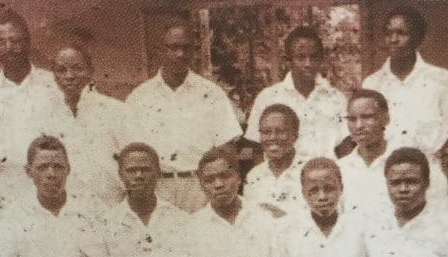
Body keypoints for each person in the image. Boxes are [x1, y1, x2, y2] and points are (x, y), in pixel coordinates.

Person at [125, 17, 243, 213]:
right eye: (173, 47)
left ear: (194, 51)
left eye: (186, 48)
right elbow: (130, 151)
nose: (180, 54)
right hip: (157, 188)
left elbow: (226, 149)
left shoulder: (211, 93)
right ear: (161, 50)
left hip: (200, 188)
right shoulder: (139, 98)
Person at [0, 45, 128, 208]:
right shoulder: (42, 115)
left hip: (110, 206)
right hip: (63, 210)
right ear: (54, 75)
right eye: (61, 70)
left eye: (77, 68)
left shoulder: (116, 111)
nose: (69, 76)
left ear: (90, 70)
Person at [12, 135, 107, 257]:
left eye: (58, 167)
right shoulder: (14, 217)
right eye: (42, 167)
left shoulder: (90, 211)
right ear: (28, 172)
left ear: (69, 169)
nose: (51, 174)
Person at [0, 8, 56, 210]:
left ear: (27, 42)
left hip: (49, 184)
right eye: (1, 42)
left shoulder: (52, 83)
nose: (9, 47)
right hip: (5, 190)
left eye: (15, 40)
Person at [361, 5, 448, 156]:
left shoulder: (441, 79)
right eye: (388, 33)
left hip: (432, 170)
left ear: (417, 37)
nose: (393, 39)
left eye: (402, 33)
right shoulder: (372, 84)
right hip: (385, 171)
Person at [337, 89, 447, 224]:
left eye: (367, 117)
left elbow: (436, 205)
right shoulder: (341, 168)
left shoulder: (410, 162)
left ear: (385, 118)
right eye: (352, 119)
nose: (359, 125)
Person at [243, 25, 348, 161]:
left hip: (324, 178)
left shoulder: (336, 98)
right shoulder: (268, 97)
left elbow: (344, 148)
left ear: (321, 58)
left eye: (313, 57)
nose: (308, 63)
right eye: (300, 57)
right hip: (283, 178)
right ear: (288, 60)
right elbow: (257, 149)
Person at [243, 104, 308, 217]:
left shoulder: (310, 171)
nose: (272, 137)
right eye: (266, 132)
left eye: (280, 131)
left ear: (295, 136)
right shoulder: (254, 176)